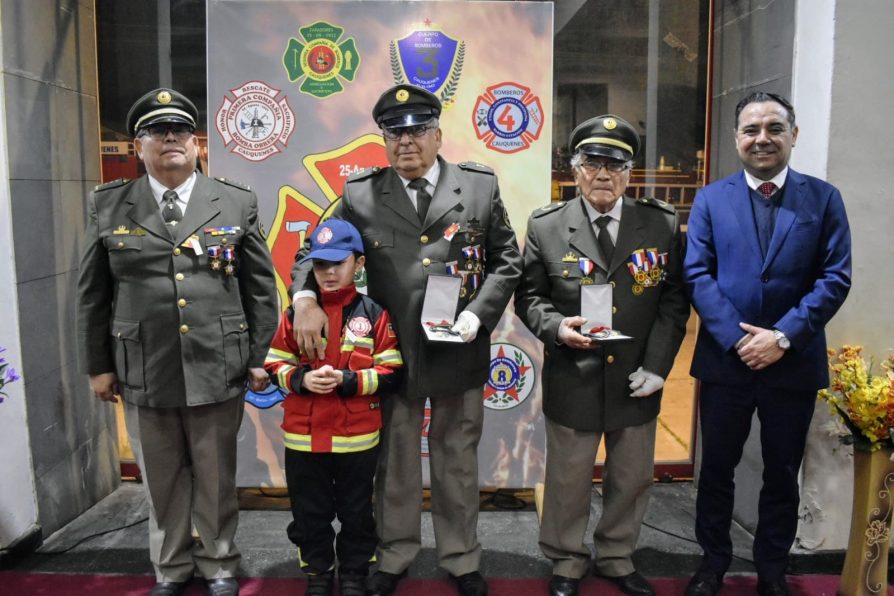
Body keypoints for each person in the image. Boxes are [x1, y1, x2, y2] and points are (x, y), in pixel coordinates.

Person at [290, 84, 522, 596]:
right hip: (391, 355)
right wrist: (304, 300)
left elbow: (508, 261)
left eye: (417, 130)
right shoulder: (361, 194)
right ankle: (394, 553)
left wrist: (479, 316)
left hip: (459, 348)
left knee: (456, 458)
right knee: (393, 461)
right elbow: (314, 252)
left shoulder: (478, 188)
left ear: (438, 134)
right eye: (394, 133)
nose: (405, 142)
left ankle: (461, 557)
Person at [76, 88, 278, 596]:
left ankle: (219, 564)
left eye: (180, 131)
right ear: (137, 147)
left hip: (218, 362)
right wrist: (98, 366)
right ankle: (171, 567)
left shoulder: (234, 201)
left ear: (196, 144)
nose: (170, 139)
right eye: (155, 132)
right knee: (161, 478)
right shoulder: (109, 205)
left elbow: (259, 289)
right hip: (144, 365)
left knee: (214, 476)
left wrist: (259, 357)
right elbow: (92, 295)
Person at [682, 92, 851, 596]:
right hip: (724, 363)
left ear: (793, 135)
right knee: (716, 470)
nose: (762, 138)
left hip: (791, 363)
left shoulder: (823, 199)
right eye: (751, 129)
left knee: (782, 472)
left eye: (774, 128)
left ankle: (773, 570)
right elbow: (696, 274)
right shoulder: (712, 199)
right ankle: (712, 563)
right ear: (736, 139)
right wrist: (740, 340)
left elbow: (834, 278)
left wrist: (782, 337)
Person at [514, 115, 689, 596]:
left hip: (637, 377)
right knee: (568, 478)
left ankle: (616, 555)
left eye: (616, 164)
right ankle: (567, 559)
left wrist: (657, 367)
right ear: (575, 169)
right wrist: (555, 328)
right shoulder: (547, 226)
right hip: (575, 373)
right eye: (592, 163)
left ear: (630, 172)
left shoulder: (660, 222)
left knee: (632, 477)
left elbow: (674, 301)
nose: (604, 174)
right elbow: (529, 297)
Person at [265, 219, 403, 596]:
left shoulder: (375, 313)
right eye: (320, 264)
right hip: (303, 440)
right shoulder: (296, 314)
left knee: (357, 513)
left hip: (357, 440)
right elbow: (274, 363)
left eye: (337, 264)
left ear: (358, 264)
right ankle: (318, 572)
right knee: (310, 514)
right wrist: (300, 380)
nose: (327, 272)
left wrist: (349, 382)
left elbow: (390, 371)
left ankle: (356, 572)